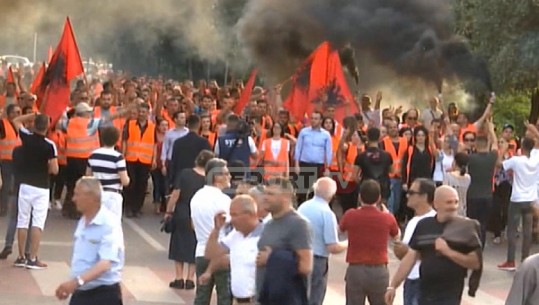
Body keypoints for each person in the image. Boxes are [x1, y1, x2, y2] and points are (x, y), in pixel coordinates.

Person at [385, 186, 482, 305]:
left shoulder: (465, 227)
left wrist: (448, 251)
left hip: (449, 296)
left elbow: (476, 262)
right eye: (449, 202)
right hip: (424, 293)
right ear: (436, 204)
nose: (453, 206)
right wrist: (393, 286)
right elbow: (411, 257)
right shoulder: (424, 225)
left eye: (456, 202)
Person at [55, 177, 124, 305]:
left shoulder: (109, 223)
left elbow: (105, 264)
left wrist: (75, 283)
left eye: (77, 194)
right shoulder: (83, 220)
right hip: (81, 291)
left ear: (91, 197)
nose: (73, 199)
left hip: (103, 294)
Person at [339, 179, 400, 305]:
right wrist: (388, 213)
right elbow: (397, 236)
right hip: (379, 270)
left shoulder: (351, 215)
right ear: (379, 198)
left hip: (356, 269)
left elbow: (339, 230)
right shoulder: (387, 218)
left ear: (360, 196)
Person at [12, 113, 58, 269]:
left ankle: (20, 256)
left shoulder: (26, 136)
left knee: (22, 220)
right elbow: (55, 169)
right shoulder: (49, 145)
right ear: (47, 126)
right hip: (41, 186)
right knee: (37, 222)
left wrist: (33, 114)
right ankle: (32, 258)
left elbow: (16, 121)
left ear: (34, 124)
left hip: (25, 184)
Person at [200, 195, 265, 305]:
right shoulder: (235, 235)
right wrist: (216, 230)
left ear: (249, 214)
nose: (231, 219)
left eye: (235, 215)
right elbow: (210, 254)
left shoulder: (265, 235)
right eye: (230, 214)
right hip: (237, 300)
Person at [165, 150, 214, 290]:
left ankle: (178, 277)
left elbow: (175, 194)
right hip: (199, 214)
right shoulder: (209, 180)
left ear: (197, 160)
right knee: (194, 243)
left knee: (178, 243)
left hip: (182, 212)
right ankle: (190, 279)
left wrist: (169, 211)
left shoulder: (185, 173)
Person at [256, 177, 313, 296]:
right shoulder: (269, 224)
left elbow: (306, 266)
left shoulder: (298, 224)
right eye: (265, 193)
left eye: (271, 194)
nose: (265, 198)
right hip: (266, 297)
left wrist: (272, 259)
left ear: (286, 197)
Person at [298, 177, 347, 305]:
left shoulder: (303, 207)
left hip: (299, 255)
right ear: (332, 194)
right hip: (318, 261)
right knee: (315, 297)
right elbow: (333, 247)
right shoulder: (327, 213)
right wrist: (348, 243)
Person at [191, 158, 233, 305]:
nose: (230, 177)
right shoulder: (223, 199)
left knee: (201, 296)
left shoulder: (196, 197)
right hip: (221, 253)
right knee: (225, 297)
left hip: (201, 251)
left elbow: (192, 224)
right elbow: (230, 227)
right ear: (217, 177)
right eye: (226, 173)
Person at [393, 178, 437, 305]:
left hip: (422, 280)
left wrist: (407, 251)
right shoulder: (413, 221)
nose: (407, 195)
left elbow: (433, 252)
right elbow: (405, 255)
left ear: (424, 196)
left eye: (412, 193)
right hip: (410, 279)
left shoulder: (432, 221)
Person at [498, 135, 539, 271]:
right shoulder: (536, 159)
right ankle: (525, 260)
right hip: (530, 199)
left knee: (512, 230)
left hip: (517, 198)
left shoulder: (516, 160)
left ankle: (510, 261)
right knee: (527, 231)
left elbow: (499, 165)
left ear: (522, 146)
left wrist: (502, 150)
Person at [466, 122, 500, 248]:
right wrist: (491, 130)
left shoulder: (470, 158)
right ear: (487, 144)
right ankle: (481, 247)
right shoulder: (492, 157)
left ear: (476, 144)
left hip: (472, 195)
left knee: (471, 223)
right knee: (483, 224)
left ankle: (470, 247)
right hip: (487, 196)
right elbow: (496, 145)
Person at [86, 126, 130, 222]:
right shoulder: (118, 157)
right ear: (117, 139)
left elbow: (88, 177)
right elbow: (125, 181)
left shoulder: (93, 155)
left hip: (96, 194)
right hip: (112, 195)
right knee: (112, 227)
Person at [122, 102, 158, 218]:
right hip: (131, 158)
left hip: (145, 160)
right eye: (140, 112)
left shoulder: (153, 126)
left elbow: (155, 144)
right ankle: (128, 206)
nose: (141, 114)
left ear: (148, 113)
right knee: (130, 183)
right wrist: (123, 155)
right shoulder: (131, 123)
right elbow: (125, 140)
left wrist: (154, 159)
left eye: (144, 112)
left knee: (142, 185)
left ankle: (137, 208)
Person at [294, 111, 333, 203]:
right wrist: (296, 164)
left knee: (315, 192)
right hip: (304, 164)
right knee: (301, 191)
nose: (313, 121)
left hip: (318, 166)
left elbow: (328, 152)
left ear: (320, 121)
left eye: (316, 119)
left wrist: (327, 168)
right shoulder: (304, 132)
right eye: (312, 118)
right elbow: (298, 148)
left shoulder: (326, 135)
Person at [353, 127, 393, 202]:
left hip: (366, 188)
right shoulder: (387, 155)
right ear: (379, 137)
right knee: (382, 210)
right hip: (383, 189)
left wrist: (362, 183)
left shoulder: (361, 156)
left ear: (367, 137)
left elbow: (354, 176)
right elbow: (392, 171)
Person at [169, 114, 211, 184]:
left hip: (181, 180)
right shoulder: (204, 142)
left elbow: (173, 163)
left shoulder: (178, 142)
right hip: (199, 179)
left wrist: (171, 181)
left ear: (187, 125)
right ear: (199, 125)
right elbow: (209, 162)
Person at [0, 103, 22, 216]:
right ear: (9, 114)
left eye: (19, 112)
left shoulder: (19, 126)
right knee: (7, 184)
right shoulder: (2, 124)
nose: (18, 114)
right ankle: (2, 208)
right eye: (15, 112)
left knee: (15, 185)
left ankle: (13, 208)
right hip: (6, 159)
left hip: (17, 160)